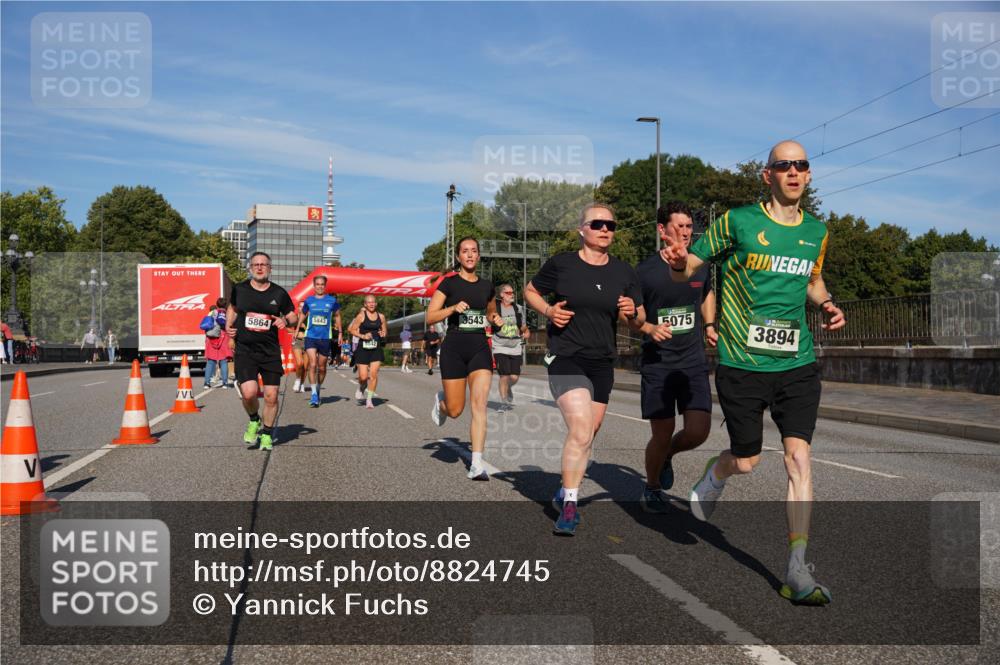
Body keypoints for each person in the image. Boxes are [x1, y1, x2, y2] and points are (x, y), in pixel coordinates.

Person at [662, 140, 846, 605]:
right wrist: (680, 264)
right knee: (747, 460)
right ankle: (718, 472)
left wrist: (825, 303)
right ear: (768, 175)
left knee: (799, 459)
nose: (793, 171)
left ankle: (797, 569)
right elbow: (691, 269)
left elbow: (812, 279)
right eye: (783, 165)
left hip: (797, 363)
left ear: (808, 175)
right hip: (742, 362)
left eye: (801, 165)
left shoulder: (817, 231)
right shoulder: (738, 222)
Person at [525, 203, 644, 535]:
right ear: (582, 229)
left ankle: (564, 488)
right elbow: (530, 291)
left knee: (588, 432)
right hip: (566, 357)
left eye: (610, 224)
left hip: (602, 362)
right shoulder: (562, 264)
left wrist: (633, 311)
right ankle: (571, 506)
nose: (605, 229)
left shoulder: (624, 272)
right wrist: (549, 311)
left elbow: (639, 320)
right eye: (597, 224)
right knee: (580, 430)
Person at [629, 202, 718, 513]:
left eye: (689, 226)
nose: (685, 231)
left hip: (692, 360)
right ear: (661, 230)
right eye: (678, 226)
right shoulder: (643, 271)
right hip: (659, 364)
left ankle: (668, 454)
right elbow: (632, 317)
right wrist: (649, 328)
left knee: (698, 431)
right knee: (661, 433)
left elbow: (706, 292)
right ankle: (652, 486)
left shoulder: (699, 264)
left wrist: (709, 324)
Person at [426, 237, 503, 480]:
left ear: (478, 256)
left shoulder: (487, 286)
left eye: (474, 251)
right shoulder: (448, 285)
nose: (469, 255)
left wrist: (496, 321)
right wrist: (451, 309)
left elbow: (492, 313)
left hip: (480, 348)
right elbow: (429, 317)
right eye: (465, 251)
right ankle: (442, 403)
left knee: (479, 405)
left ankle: (476, 464)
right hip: (454, 348)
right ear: (458, 257)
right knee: (456, 410)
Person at [226, 252, 296, 451]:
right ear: (250, 268)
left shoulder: (279, 293)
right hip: (245, 350)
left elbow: (293, 316)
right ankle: (254, 419)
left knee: (271, 396)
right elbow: (233, 308)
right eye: (255, 264)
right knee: (248, 393)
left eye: (263, 265)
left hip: (270, 351)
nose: (259, 267)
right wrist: (228, 327)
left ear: (270, 269)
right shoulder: (240, 289)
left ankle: (266, 433)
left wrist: (285, 320)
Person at [298, 275, 342, 407]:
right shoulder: (309, 300)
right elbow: (303, 314)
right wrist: (297, 328)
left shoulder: (332, 300)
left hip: (325, 338)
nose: (320, 286)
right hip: (311, 336)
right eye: (317, 284)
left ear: (325, 285)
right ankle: (313, 394)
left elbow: (338, 316)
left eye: (322, 284)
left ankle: (317, 388)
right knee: (312, 364)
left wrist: (340, 332)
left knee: (322, 367)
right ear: (314, 285)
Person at [492, 283, 530, 411]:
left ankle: (508, 388)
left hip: (515, 346)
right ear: (502, 295)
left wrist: (526, 331)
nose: (512, 295)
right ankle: (503, 402)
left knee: (514, 377)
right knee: (504, 375)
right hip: (500, 345)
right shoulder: (495, 309)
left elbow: (523, 326)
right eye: (508, 293)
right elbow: (487, 321)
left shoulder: (518, 308)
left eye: (512, 292)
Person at [347, 295, 387, 409]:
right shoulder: (361, 316)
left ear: (376, 303)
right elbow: (351, 330)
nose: (371, 304)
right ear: (365, 304)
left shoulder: (381, 317)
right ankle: (361, 387)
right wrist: (363, 336)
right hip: (363, 348)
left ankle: (369, 399)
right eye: (369, 302)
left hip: (376, 348)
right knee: (363, 377)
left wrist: (383, 334)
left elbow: (384, 331)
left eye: (373, 302)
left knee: (373, 375)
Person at [202, 298, 231, 389]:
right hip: (223, 337)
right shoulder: (227, 313)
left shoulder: (212, 312)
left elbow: (206, 324)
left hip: (211, 338)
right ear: (226, 305)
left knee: (211, 361)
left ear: (217, 304)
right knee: (223, 361)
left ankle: (207, 383)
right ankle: (225, 383)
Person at [290, 326, 308, 393]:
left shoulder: (310, 318)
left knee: (305, 367)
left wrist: (305, 327)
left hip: (308, 342)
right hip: (297, 341)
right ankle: (297, 380)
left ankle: (302, 384)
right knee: (300, 363)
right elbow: (287, 327)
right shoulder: (297, 318)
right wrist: (294, 331)